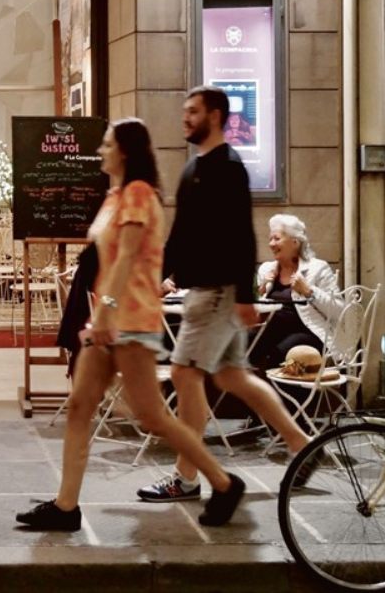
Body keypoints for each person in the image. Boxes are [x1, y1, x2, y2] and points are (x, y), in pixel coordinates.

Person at [16, 118, 246, 531]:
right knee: (80, 408)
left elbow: (125, 258)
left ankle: (223, 482)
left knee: (153, 416)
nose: (100, 150)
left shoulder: (139, 194)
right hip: (109, 321)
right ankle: (66, 506)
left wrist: (103, 313)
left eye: (106, 144)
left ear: (125, 150)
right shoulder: (115, 196)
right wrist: (101, 315)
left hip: (132, 322)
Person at [136, 86, 310, 504]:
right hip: (205, 291)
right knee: (233, 377)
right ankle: (303, 446)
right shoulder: (191, 168)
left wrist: (245, 296)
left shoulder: (229, 167)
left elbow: (241, 235)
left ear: (214, 116)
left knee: (184, 374)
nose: (185, 118)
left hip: (217, 294)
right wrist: (155, 278)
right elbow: (179, 237)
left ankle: (188, 476)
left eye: (193, 112)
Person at [250, 214, 343, 371]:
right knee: (244, 342)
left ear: (295, 242)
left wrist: (309, 291)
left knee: (278, 354)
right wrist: (262, 289)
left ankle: (269, 392)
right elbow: (259, 310)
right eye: (270, 239)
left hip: (310, 332)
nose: (271, 244)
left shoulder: (318, 268)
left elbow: (339, 311)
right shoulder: (267, 269)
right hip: (272, 332)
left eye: (276, 238)